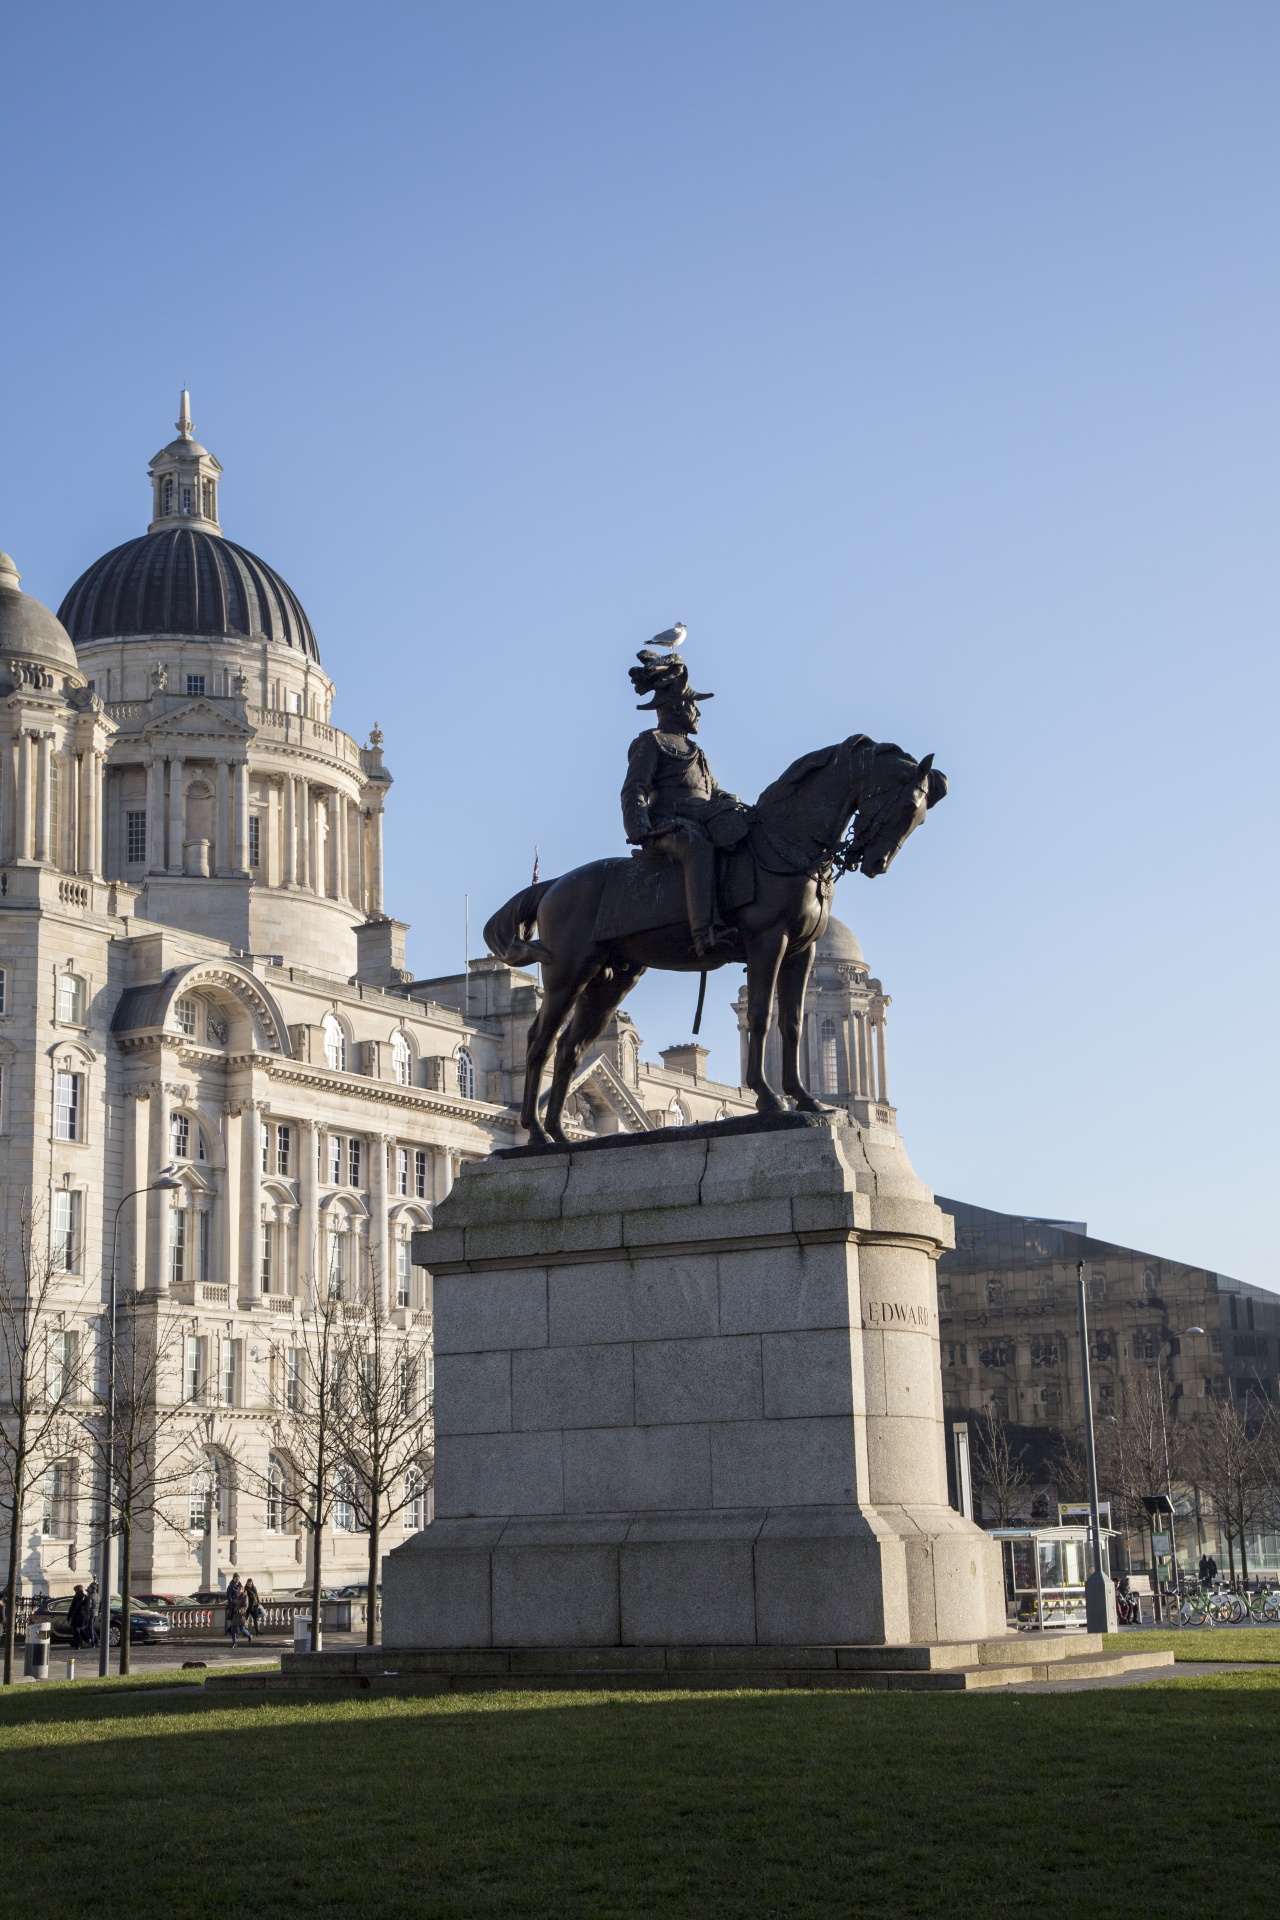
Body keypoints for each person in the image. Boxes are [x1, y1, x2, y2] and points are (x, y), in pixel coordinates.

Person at [620, 651, 751, 959]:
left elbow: (711, 790)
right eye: (694, 706)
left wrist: (734, 804)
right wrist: (639, 826)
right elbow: (634, 787)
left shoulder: (696, 750)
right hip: (668, 825)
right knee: (698, 848)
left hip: (702, 820)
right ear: (678, 706)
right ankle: (704, 932)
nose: (698, 714)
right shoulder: (651, 742)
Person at [224, 1576, 251, 1649]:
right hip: (235, 1614)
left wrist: (241, 1610)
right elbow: (233, 1602)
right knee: (233, 1629)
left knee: (242, 1629)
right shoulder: (236, 1596)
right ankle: (234, 1643)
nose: (238, 1591)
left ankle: (249, 1635)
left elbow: (246, 1605)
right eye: (238, 1590)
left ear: (242, 1590)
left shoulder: (245, 1597)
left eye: (240, 1590)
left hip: (241, 1615)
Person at [67, 1584, 90, 1651]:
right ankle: (87, 1639)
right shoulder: (86, 1597)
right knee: (80, 1630)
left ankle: (78, 1644)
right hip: (84, 1616)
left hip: (77, 1616)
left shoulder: (77, 1597)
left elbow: (73, 1608)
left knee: (76, 1631)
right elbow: (88, 1608)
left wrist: (69, 1616)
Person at [85, 1578, 100, 1649]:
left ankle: (93, 1642)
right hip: (96, 1612)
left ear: (91, 1588)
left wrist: (86, 1614)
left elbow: (88, 1606)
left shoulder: (90, 1596)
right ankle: (96, 1640)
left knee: (90, 1627)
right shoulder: (97, 1595)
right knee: (91, 1627)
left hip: (91, 1613)